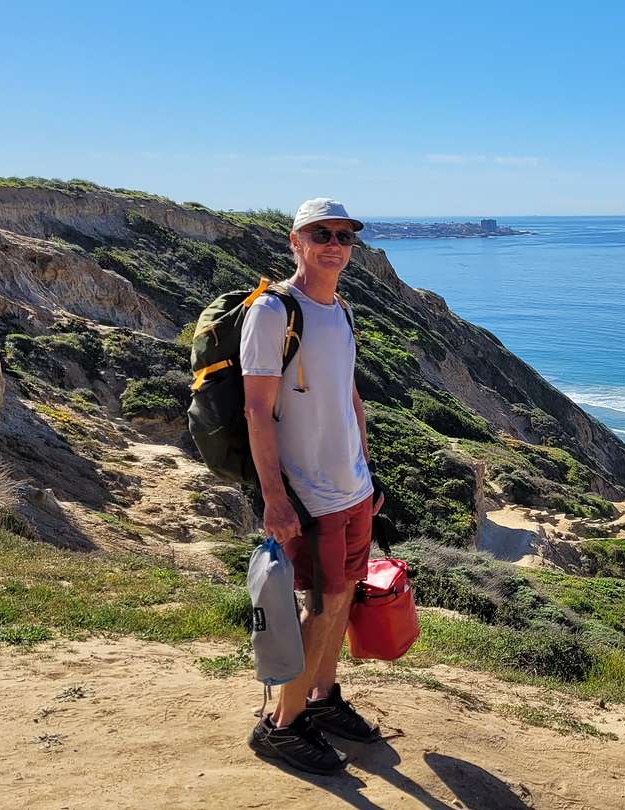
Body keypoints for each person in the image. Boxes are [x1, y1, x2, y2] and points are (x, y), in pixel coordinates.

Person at [244, 198, 384, 775]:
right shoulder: (275, 311)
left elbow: (349, 396)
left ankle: (322, 700)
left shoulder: (341, 310)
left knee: (345, 594)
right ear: (294, 242)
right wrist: (275, 498)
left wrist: (365, 471)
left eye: (343, 236)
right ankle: (282, 725)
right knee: (319, 606)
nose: (334, 244)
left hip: (350, 487)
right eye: (320, 234)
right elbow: (257, 409)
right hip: (309, 494)